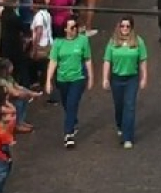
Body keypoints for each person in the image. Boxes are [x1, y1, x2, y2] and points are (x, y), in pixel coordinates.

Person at [45, 16, 93, 148]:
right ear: (65, 28)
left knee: (72, 104)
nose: (73, 30)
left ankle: (68, 134)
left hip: (78, 78)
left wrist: (91, 76)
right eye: (71, 27)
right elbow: (53, 61)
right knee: (67, 105)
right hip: (62, 79)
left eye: (75, 27)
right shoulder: (58, 43)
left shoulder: (83, 40)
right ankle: (73, 121)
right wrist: (48, 81)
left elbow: (87, 59)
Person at [101, 16, 148, 149]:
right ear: (119, 27)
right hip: (116, 78)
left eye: (128, 26)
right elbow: (107, 61)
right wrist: (105, 78)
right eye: (123, 26)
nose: (125, 29)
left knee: (130, 106)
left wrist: (144, 77)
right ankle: (121, 125)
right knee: (119, 106)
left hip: (132, 78)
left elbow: (143, 60)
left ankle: (128, 137)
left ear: (131, 28)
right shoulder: (112, 42)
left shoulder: (138, 42)